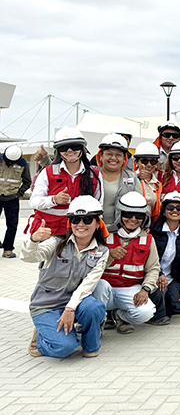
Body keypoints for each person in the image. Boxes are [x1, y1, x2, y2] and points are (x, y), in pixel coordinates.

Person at [22, 196, 108, 358]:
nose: (81, 224)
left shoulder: (102, 251)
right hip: (46, 306)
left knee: (94, 307)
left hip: (74, 302)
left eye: (87, 219)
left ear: (98, 223)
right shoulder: (55, 243)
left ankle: (90, 346)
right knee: (64, 348)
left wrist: (70, 308)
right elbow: (28, 257)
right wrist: (33, 240)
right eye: (75, 219)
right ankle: (40, 339)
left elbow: (88, 284)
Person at [91, 192, 158, 334]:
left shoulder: (148, 239)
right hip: (105, 288)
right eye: (128, 214)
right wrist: (109, 256)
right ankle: (97, 324)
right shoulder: (104, 236)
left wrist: (145, 289)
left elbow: (153, 268)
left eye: (138, 216)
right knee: (100, 286)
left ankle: (119, 316)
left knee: (146, 312)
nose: (133, 219)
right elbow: (90, 265)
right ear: (120, 214)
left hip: (130, 288)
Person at [29, 128, 103, 237]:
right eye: (64, 148)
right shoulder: (47, 172)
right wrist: (54, 200)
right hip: (49, 232)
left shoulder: (94, 175)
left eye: (75, 146)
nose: (69, 151)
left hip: (79, 233)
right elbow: (34, 201)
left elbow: (99, 205)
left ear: (82, 148)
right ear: (58, 151)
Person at [148, 192, 180, 324]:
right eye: (170, 207)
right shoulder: (153, 231)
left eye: (179, 208)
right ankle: (157, 313)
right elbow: (146, 259)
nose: (175, 211)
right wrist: (159, 274)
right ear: (164, 211)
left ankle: (164, 307)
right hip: (152, 276)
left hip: (172, 277)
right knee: (160, 291)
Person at [96, 134, 140, 231]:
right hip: (91, 230)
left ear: (124, 158)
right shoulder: (90, 175)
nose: (113, 158)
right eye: (109, 154)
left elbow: (140, 207)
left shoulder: (132, 178)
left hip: (121, 232)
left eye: (118, 155)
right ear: (101, 156)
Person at [0, 145, 31, 258]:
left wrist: (18, 194)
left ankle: (8, 250)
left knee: (12, 225)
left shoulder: (23, 164)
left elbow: (27, 182)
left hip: (12, 198)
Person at [133, 141, 162, 218]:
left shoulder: (157, 184)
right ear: (136, 162)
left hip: (149, 223)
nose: (149, 165)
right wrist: (137, 178)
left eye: (153, 161)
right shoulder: (129, 179)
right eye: (144, 161)